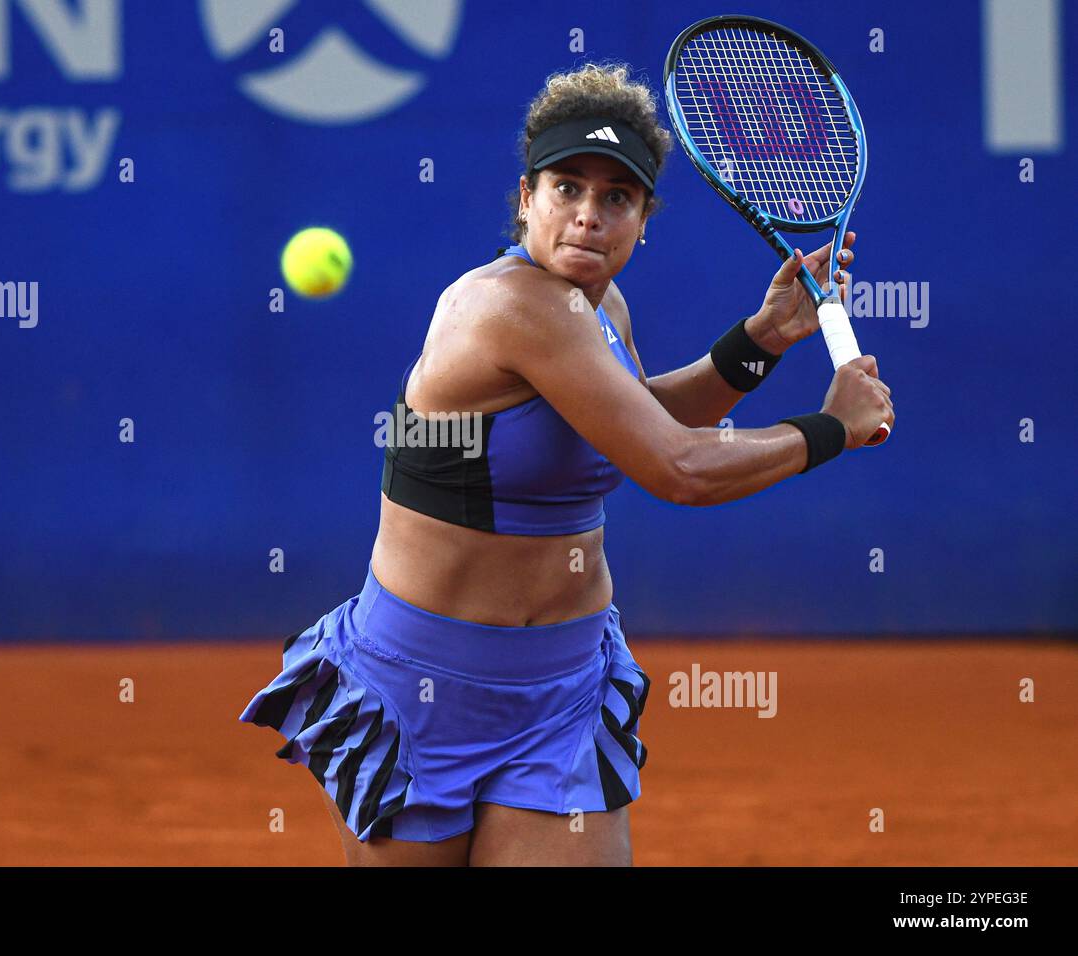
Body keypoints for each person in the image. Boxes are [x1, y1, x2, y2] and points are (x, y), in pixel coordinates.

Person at [240, 62, 893, 867]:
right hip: (421, 693)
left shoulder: (599, 307)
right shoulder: (512, 307)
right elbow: (676, 468)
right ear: (526, 197)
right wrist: (828, 429)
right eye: (567, 188)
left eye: (616, 197)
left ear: (645, 218)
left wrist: (758, 343)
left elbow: (632, 420)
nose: (588, 216)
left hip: (561, 692)